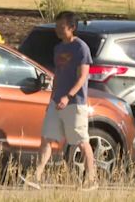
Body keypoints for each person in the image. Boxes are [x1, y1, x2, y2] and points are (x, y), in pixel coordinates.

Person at [21, 11, 97, 191]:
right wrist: (52, 99)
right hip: (56, 102)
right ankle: (36, 177)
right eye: (57, 26)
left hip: (74, 103)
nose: (58, 30)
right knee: (47, 138)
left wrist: (68, 96)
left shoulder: (81, 48)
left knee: (81, 140)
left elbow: (82, 78)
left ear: (72, 27)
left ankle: (92, 179)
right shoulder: (58, 48)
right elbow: (58, 76)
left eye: (61, 27)